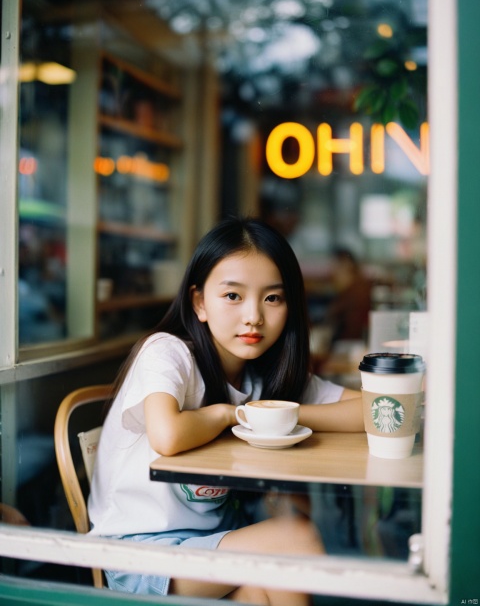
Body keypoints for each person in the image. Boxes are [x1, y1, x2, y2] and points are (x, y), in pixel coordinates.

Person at [88, 216, 363, 604]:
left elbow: (373, 411)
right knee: (298, 537)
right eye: (233, 296)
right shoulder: (168, 352)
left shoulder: (261, 378)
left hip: (216, 540)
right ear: (199, 302)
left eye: (273, 298)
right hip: (142, 554)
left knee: (263, 590)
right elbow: (167, 436)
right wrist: (228, 414)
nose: (253, 316)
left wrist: (281, 413)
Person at [324, 247, 371, 346]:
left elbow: (352, 332)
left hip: (350, 349)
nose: (331, 272)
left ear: (347, 265)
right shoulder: (350, 291)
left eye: (335, 266)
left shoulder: (356, 293)